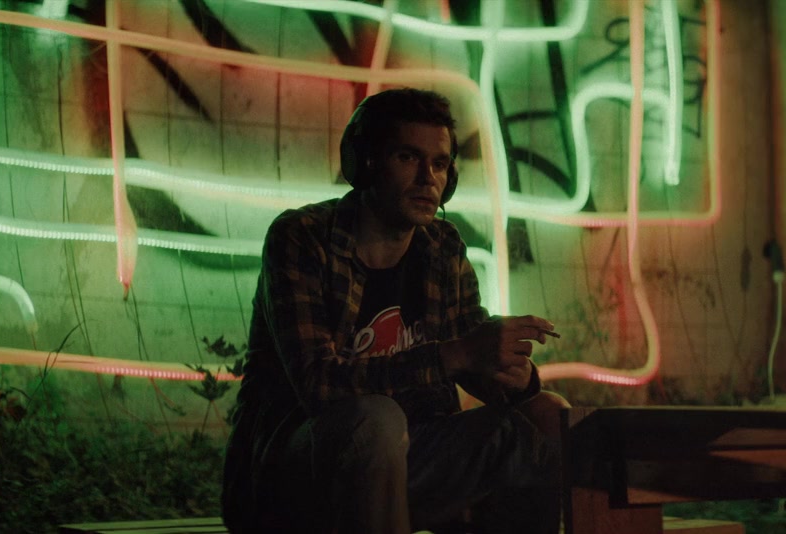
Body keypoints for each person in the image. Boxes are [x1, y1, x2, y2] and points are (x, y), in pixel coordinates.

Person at [221, 88, 567, 534]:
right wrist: (456, 354)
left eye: (439, 164)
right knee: (376, 421)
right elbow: (319, 384)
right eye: (408, 157)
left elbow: (471, 354)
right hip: (295, 475)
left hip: (412, 457)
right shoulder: (302, 237)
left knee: (546, 417)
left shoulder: (442, 247)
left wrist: (513, 374)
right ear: (365, 162)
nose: (428, 178)